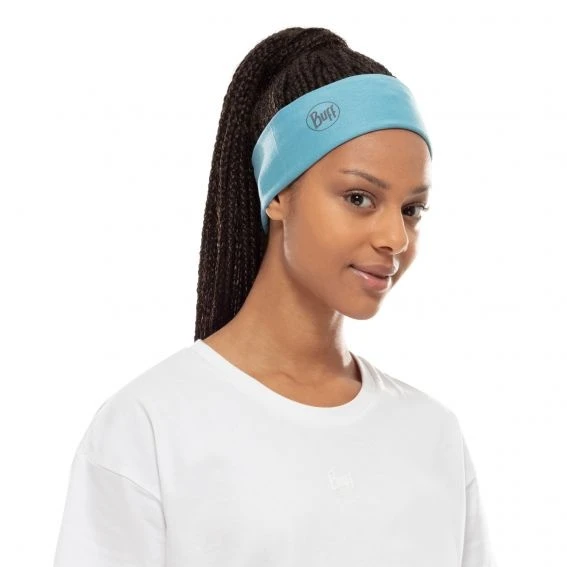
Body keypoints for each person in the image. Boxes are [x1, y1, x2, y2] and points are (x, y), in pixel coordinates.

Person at [53, 26, 497, 567]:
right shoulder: (149, 428)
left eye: (412, 210)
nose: (395, 238)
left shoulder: (433, 436)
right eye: (359, 198)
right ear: (278, 193)